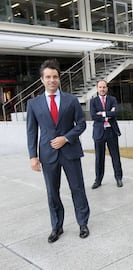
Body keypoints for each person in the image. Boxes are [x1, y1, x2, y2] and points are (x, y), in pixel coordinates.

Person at [26, 59, 90, 243]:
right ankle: (57, 226)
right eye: (48, 77)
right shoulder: (33, 104)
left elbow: (82, 124)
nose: (52, 80)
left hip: (70, 151)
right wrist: (33, 157)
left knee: (77, 188)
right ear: (42, 80)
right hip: (48, 154)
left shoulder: (71, 100)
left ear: (59, 78)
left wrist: (66, 137)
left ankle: (83, 222)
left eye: (55, 76)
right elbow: (31, 131)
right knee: (52, 192)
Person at [90, 80, 123, 189]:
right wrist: (109, 113)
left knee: (115, 156)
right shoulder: (93, 101)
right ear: (97, 88)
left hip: (111, 131)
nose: (102, 89)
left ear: (107, 88)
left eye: (104, 87)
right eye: (100, 87)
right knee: (99, 157)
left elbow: (116, 112)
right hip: (99, 132)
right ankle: (98, 180)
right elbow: (93, 116)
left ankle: (119, 178)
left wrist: (103, 113)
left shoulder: (112, 99)